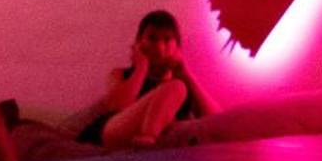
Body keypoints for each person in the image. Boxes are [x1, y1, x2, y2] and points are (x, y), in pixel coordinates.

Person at [75, 10, 216, 151]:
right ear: (139, 42)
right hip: (111, 131)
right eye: (152, 38)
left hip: (154, 140)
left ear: (177, 46)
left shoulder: (184, 86)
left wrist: (186, 74)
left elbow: (215, 122)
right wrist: (141, 67)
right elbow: (117, 107)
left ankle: (147, 140)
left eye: (167, 40)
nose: (160, 47)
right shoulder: (120, 74)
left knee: (177, 88)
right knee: (176, 88)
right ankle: (147, 137)